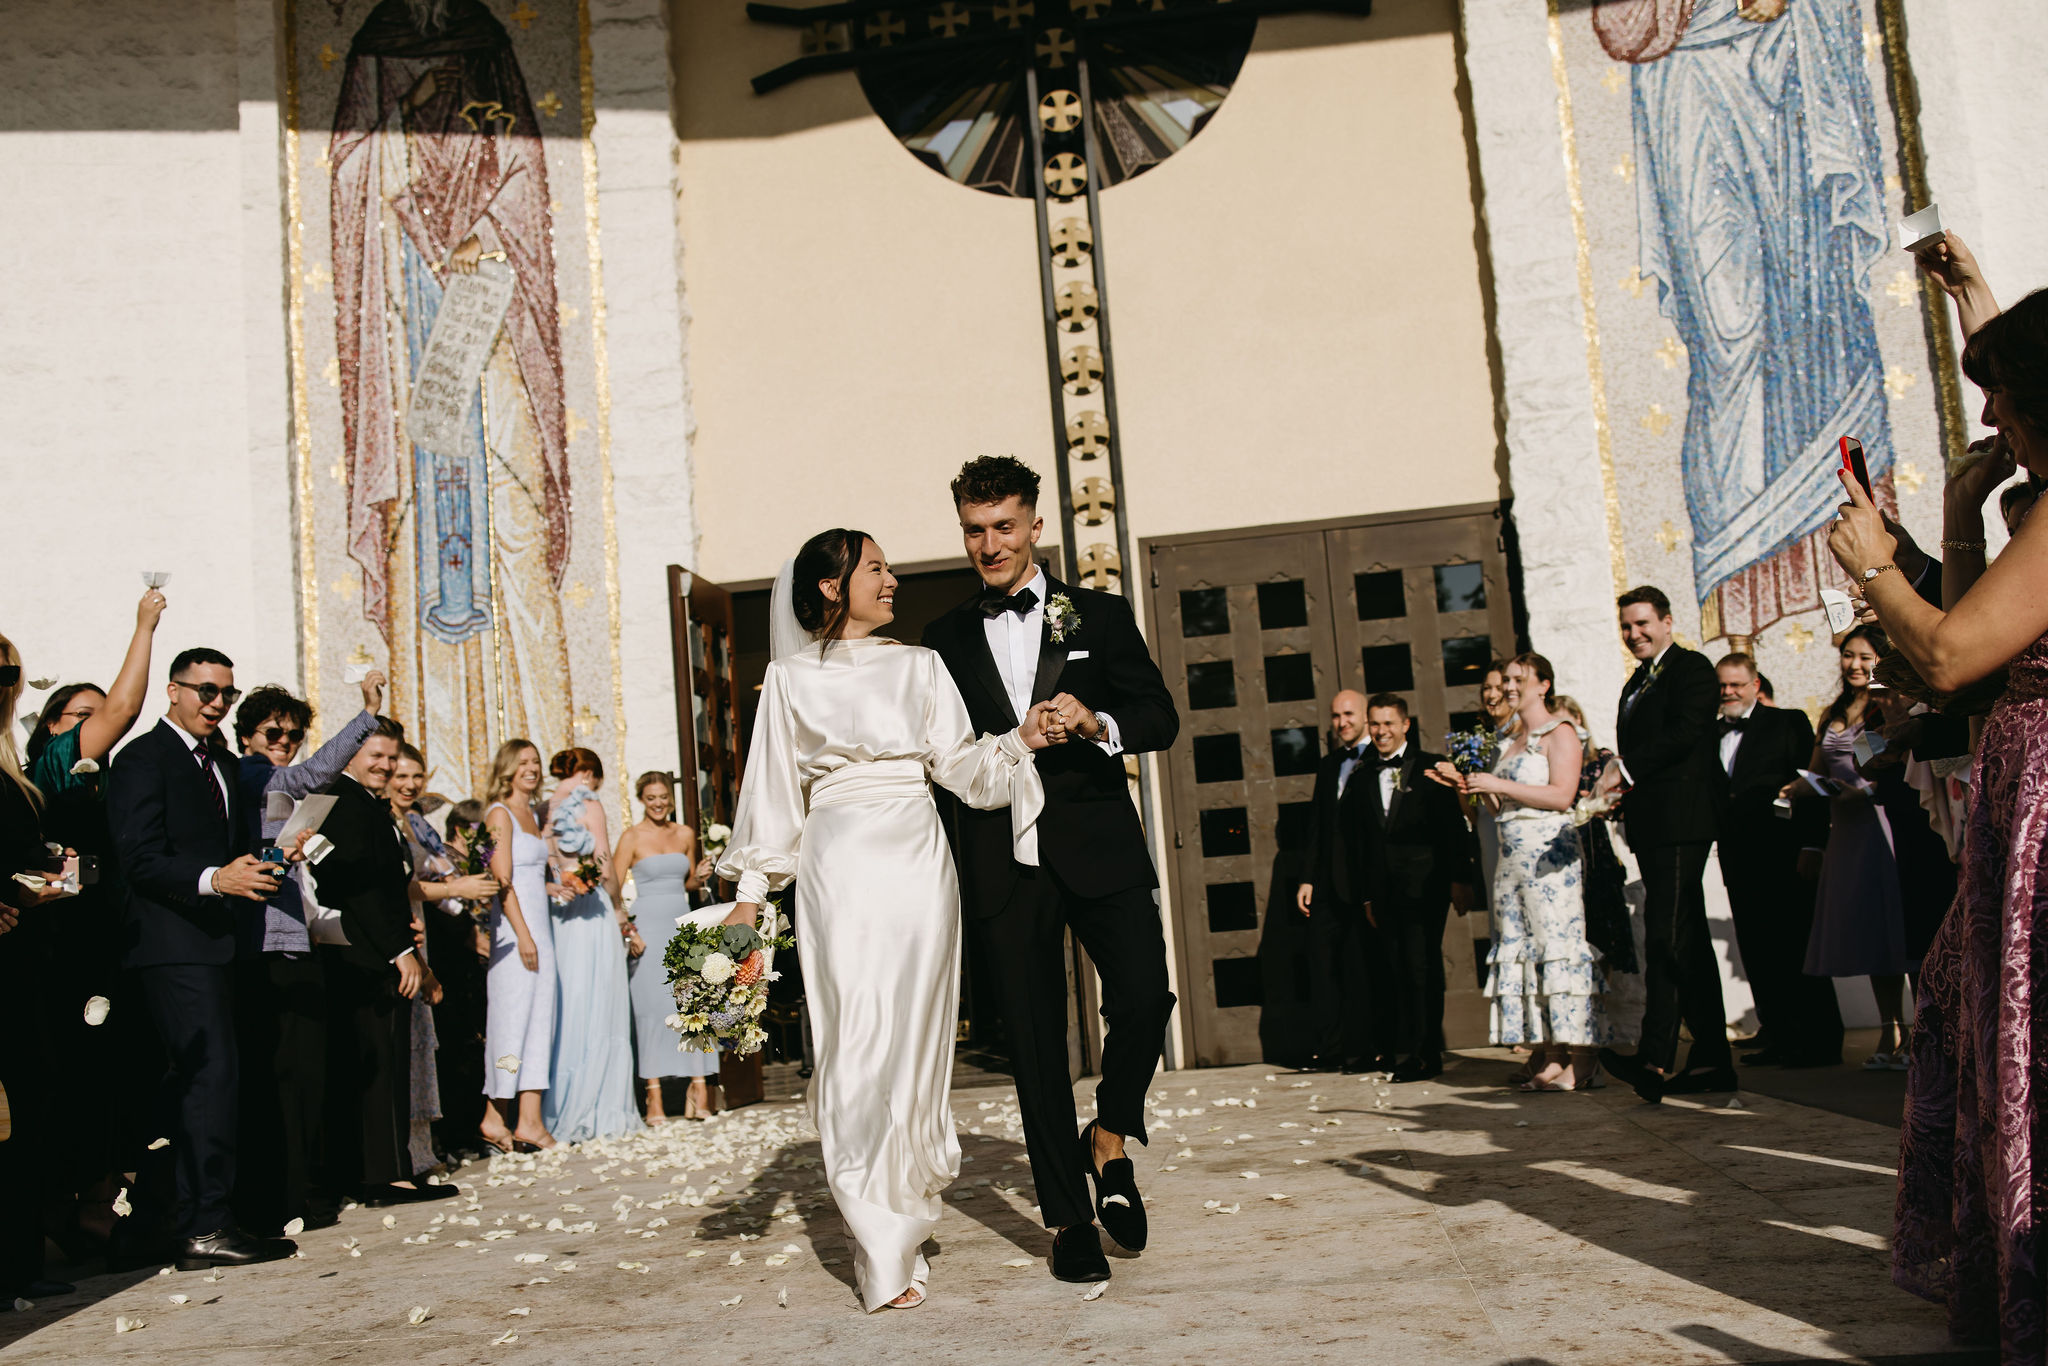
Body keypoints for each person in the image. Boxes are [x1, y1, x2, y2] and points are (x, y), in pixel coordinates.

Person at [721, 527, 1051, 1311]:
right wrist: (751, 895)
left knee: (913, 1040)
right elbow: (772, 793)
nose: (893, 578)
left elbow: (962, 769)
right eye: (876, 568)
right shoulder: (791, 680)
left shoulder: (921, 665)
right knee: (854, 1041)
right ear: (833, 586)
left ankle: (900, 1192)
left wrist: (1019, 742)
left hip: (918, 863)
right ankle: (880, 1244)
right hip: (838, 865)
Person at [1828, 236, 2048, 1355]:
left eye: (2001, 402)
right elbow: (1955, 655)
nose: (1989, 421)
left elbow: (1950, 653)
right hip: (2020, 786)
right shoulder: (2035, 503)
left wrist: (1871, 564)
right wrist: (1959, 514)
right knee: (1987, 1024)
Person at [920, 457, 1178, 1285]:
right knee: (1033, 1041)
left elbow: (1159, 716)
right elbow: (944, 758)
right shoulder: (944, 639)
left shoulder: (1097, 612)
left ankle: (1106, 1139)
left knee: (1144, 995)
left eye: (1003, 526)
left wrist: (1096, 718)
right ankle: (1068, 1217)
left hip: (1099, 840)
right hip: (1004, 859)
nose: (989, 544)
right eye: (974, 529)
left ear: (1035, 526)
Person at [108, 646, 297, 1270]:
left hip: (218, 944)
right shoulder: (143, 758)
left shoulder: (218, 758)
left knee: (198, 1085)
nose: (216, 703)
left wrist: (264, 863)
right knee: (208, 1080)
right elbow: (138, 857)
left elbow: (225, 845)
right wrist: (215, 879)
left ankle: (158, 1227)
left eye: (227, 695)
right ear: (173, 690)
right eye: (205, 691)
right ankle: (204, 1226)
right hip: (169, 945)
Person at [22, 586, 166, 1258]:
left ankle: (100, 1202)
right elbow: (128, 707)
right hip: (61, 952)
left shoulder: (112, 782)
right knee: (70, 1085)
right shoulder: (50, 768)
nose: (100, 725)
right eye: (84, 716)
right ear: (53, 726)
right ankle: (64, 1215)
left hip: (116, 948)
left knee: (119, 1082)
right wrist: (145, 623)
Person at [228, 674, 384, 1235]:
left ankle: (307, 1190)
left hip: (297, 937)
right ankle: (286, 1196)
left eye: (293, 734)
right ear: (247, 734)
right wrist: (366, 715)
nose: (284, 741)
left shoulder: (278, 784)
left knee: (306, 1075)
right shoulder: (249, 775)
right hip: (262, 942)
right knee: (280, 1076)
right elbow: (314, 772)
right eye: (273, 731)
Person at [1442, 654, 1606, 1090]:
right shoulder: (1511, 740)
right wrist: (1475, 786)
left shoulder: (1561, 732)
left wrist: (1499, 785)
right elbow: (1501, 806)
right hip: (1511, 861)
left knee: (1559, 949)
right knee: (1527, 954)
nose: (1509, 687)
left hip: (1549, 858)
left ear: (1543, 685)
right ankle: (1551, 1056)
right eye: (1507, 679)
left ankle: (1584, 1058)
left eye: (1519, 679)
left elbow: (1562, 794)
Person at [1596, 586, 1732, 1103]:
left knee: (1663, 934)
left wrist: (1624, 768)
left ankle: (1653, 1058)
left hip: (1683, 819)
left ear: (1668, 621)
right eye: (1627, 627)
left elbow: (1687, 731)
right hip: (1650, 824)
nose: (1635, 635)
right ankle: (1714, 1061)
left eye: (1643, 624)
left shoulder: (1692, 669)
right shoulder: (1636, 681)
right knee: (1687, 939)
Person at [312, 721, 454, 1205]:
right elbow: (360, 887)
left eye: (392, 758)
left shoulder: (368, 807)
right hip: (364, 953)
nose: (386, 766)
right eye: (376, 755)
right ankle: (381, 1176)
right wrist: (401, 951)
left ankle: (388, 1168)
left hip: (378, 948)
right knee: (375, 1066)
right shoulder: (347, 805)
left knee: (384, 1063)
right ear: (350, 754)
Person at [1780, 627, 1912, 1066]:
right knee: (1872, 932)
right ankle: (1888, 1028)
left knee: (1899, 927)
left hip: (1880, 823)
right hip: (1846, 832)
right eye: (1849, 656)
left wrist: (1862, 790)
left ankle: (1917, 1033)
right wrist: (1801, 786)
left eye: (1866, 657)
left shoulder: (1886, 708)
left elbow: (1885, 768)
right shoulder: (1832, 711)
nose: (1855, 665)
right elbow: (1819, 767)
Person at [0, 628, 82, 1303]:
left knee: (30, 1109)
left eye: (10, 676)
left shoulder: (12, 773)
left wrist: (43, 882)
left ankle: (18, 1262)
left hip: (24, 957)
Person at [1713, 653, 1843, 1069]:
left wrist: (1813, 845)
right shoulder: (1709, 732)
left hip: (1786, 854)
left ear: (1755, 685)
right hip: (1738, 857)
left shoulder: (1787, 722)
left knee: (1797, 945)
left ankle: (1819, 1041)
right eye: (1723, 686)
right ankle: (1779, 1033)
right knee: (1757, 947)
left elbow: (1811, 784)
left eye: (1736, 684)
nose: (1729, 692)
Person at [1355, 693, 1474, 1082]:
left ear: (1405, 724)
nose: (1381, 731)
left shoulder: (1430, 767)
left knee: (1422, 967)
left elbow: (1453, 828)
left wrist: (1460, 878)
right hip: (1385, 892)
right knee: (1396, 970)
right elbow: (1364, 843)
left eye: (1388, 723)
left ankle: (1426, 1055)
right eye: (1375, 723)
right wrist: (1369, 895)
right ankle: (1405, 1049)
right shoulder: (1362, 773)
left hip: (1427, 886)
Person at [389, 747, 497, 1162]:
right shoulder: (388, 822)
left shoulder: (415, 823)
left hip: (429, 929)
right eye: (402, 775)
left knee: (435, 1040)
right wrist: (457, 890)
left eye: (418, 776)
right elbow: (400, 884)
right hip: (408, 931)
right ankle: (412, 1148)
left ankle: (433, 1141)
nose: (411, 784)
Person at [541, 748, 643, 1144]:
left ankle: (560, 1107)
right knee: (602, 1002)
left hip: (561, 913)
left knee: (570, 1004)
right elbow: (603, 863)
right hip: (593, 911)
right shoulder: (589, 800)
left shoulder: (544, 807)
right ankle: (603, 1109)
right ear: (587, 774)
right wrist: (619, 909)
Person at [609, 771, 717, 1123]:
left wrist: (698, 877)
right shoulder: (631, 836)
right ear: (641, 799)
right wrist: (627, 929)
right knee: (650, 1009)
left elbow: (684, 883)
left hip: (682, 923)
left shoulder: (685, 833)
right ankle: (652, 1094)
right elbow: (611, 886)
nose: (658, 803)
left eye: (663, 797)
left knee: (691, 1001)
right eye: (651, 797)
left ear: (670, 799)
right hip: (647, 928)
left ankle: (699, 1086)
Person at [1294, 690, 1380, 1073]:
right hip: (1327, 883)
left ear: (1365, 716)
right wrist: (1308, 878)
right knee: (1324, 967)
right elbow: (1317, 827)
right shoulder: (1329, 765)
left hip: (1366, 885)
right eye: (1335, 715)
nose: (1342, 722)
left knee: (1364, 969)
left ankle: (1367, 1050)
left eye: (1349, 714)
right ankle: (1328, 1050)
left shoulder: (1381, 759)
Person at [479, 740, 557, 1153]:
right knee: (510, 1027)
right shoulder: (499, 814)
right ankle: (495, 1115)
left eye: (536, 762)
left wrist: (554, 885)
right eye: (523, 762)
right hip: (515, 934)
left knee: (538, 1025)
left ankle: (530, 1121)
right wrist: (524, 936)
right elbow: (502, 881)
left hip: (540, 929)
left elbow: (529, 876)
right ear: (507, 769)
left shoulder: (532, 814)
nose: (532, 768)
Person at [419, 795, 494, 1151]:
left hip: (472, 963)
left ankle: (470, 1126)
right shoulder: (446, 860)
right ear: (464, 830)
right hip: (453, 959)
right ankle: (455, 1132)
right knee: (456, 1047)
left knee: (472, 1044)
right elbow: (448, 912)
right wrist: (473, 940)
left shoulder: (470, 860)